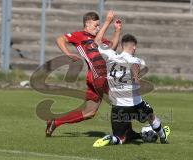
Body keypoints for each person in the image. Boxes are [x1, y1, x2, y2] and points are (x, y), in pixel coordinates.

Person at [92, 15, 170, 147]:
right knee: (151, 116)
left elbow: (97, 41)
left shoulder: (110, 55)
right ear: (134, 47)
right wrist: (135, 77)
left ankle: (110, 139)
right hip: (135, 104)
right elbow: (134, 66)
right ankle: (163, 137)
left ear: (122, 46)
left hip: (117, 106)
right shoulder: (137, 60)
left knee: (120, 138)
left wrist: (109, 24)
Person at [45, 11, 121, 137]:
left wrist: (117, 30)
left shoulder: (98, 39)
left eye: (98, 26)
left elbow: (112, 47)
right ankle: (122, 134)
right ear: (87, 23)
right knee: (121, 100)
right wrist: (68, 53)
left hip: (95, 77)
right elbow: (60, 39)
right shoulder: (79, 35)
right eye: (96, 25)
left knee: (89, 112)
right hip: (97, 76)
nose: (97, 28)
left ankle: (56, 122)